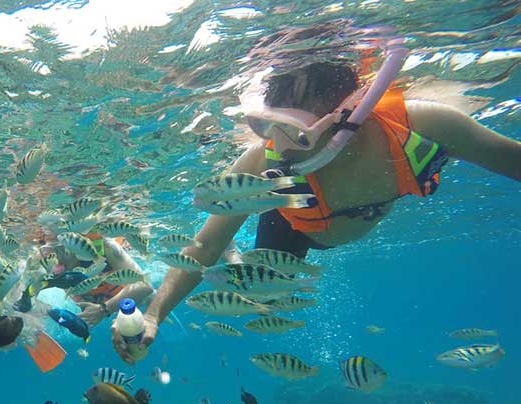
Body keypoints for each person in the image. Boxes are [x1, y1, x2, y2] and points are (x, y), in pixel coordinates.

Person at [111, 57, 521, 364]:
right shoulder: (262, 166)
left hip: (332, 215)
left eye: (295, 130)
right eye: (267, 125)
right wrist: (153, 315)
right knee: (266, 291)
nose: (279, 146)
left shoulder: (422, 126)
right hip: (293, 223)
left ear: (349, 116)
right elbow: (203, 244)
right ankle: (241, 253)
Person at [20, 230, 153, 327]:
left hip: (127, 297)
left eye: (60, 247)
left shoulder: (101, 246)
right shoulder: (41, 261)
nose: (55, 255)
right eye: (46, 246)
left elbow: (145, 286)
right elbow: (23, 295)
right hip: (93, 304)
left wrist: (104, 309)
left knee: (151, 299)